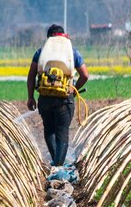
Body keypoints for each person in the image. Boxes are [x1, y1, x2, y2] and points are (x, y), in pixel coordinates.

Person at [27, 24, 89, 166]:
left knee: (49, 130)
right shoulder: (72, 52)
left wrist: (30, 97)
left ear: (49, 38)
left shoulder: (41, 52)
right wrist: (73, 90)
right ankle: (59, 165)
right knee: (62, 132)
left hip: (45, 97)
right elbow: (85, 75)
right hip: (64, 99)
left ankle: (56, 163)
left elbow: (31, 75)